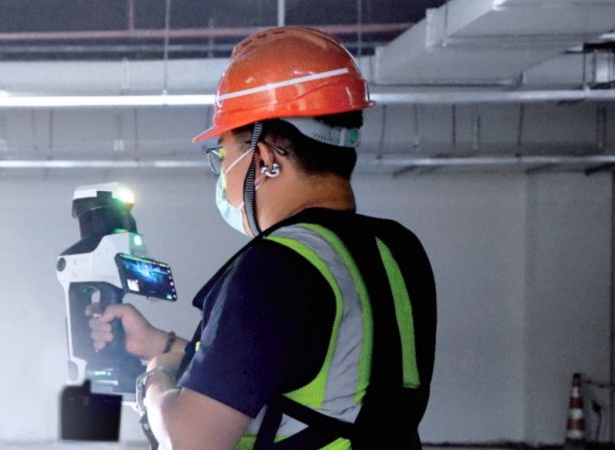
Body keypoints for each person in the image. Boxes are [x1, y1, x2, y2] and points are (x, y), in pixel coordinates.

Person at [88, 26, 436, 450]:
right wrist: (164, 345)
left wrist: (155, 377)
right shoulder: (398, 250)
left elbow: (190, 441)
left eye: (223, 155)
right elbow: (303, 371)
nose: (222, 173)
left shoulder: (274, 268)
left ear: (265, 158)